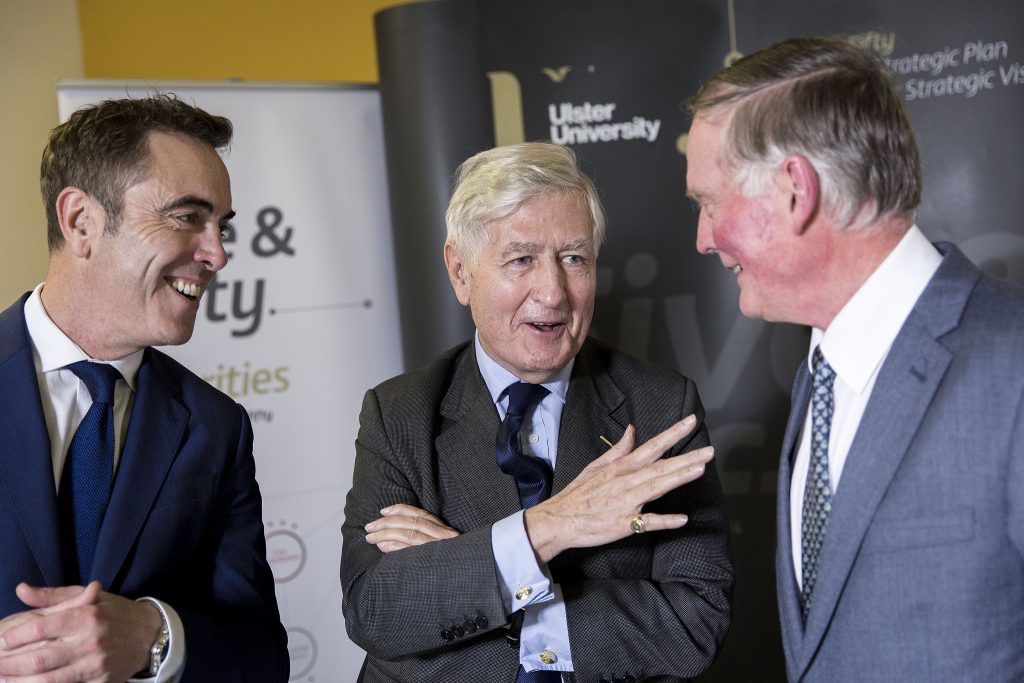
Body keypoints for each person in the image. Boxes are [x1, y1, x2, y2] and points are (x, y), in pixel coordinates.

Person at [686, 36, 1024, 681]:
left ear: (794, 190)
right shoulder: (823, 377)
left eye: (709, 201)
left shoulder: (1013, 366)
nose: (703, 238)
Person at [341, 142, 733, 682]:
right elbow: (379, 612)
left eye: (574, 258)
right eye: (521, 259)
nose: (552, 293)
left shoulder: (663, 407)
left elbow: (694, 624)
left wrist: (481, 573)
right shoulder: (399, 412)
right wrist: (551, 527)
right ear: (460, 272)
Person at [0, 95, 288, 682]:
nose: (218, 254)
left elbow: (260, 657)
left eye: (221, 226)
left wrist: (155, 636)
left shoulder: (215, 426)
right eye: (188, 218)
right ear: (82, 221)